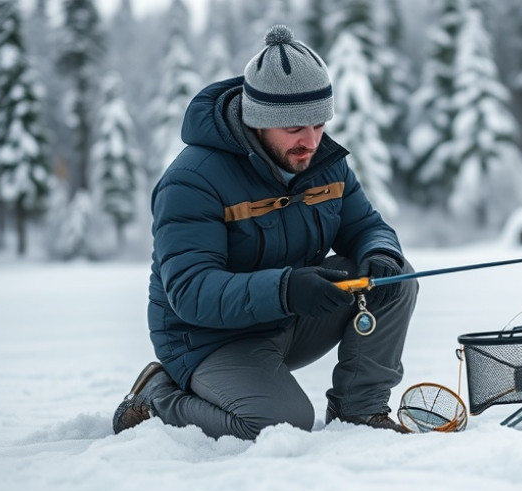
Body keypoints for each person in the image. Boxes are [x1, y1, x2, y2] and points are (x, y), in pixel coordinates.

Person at [112, 25, 418, 440]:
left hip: (287, 317)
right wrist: (285, 289)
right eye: (294, 128)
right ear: (258, 121)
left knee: (395, 278)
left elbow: (365, 227)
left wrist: (379, 253)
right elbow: (190, 290)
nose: (311, 141)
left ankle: (360, 411)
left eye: (319, 123)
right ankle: (156, 400)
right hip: (206, 339)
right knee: (280, 423)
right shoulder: (192, 181)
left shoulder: (324, 163)